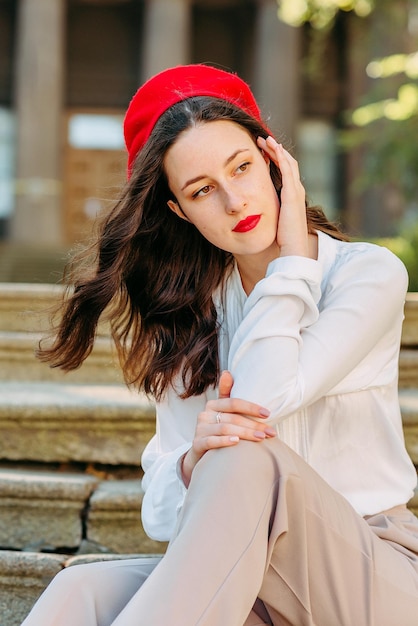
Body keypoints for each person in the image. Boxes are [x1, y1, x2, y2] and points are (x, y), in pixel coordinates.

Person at [21, 64, 418, 626]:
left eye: (242, 167)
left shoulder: (367, 275)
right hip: (254, 575)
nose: (234, 201)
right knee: (81, 588)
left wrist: (291, 264)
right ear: (179, 211)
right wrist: (191, 461)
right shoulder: (193, 314)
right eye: (202, 190)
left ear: (275, 160)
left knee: (244, 452)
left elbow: (266, 397)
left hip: (372, 570)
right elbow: (160, 507)